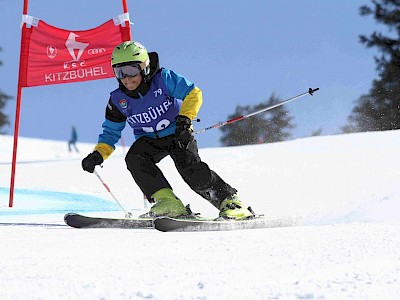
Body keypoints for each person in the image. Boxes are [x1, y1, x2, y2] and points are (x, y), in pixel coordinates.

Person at [81, 41, 255, 220]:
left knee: (189, 169)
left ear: (144, 67)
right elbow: (110, 132)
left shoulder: (163, 79)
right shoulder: (118, 100)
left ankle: (230, 202)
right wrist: (98, 155)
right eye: (119, 72)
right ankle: (168, 202)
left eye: (131, 71)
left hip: (177, 133)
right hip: (149, 139)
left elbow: (193, 93)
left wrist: (185, 119)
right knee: (135, 158)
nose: (126, 78)